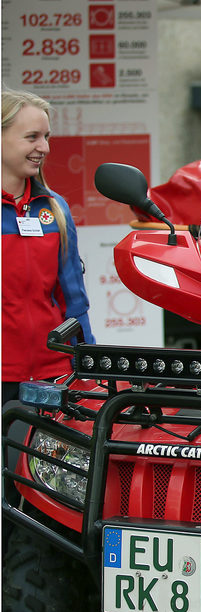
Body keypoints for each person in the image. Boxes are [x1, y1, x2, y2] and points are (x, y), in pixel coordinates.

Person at [2, 89, 94, 406]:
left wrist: (87, 363)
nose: (44, 147)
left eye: (46, 136)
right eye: (32, 137)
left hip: (52, 373)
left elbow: (73, 299)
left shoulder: (55, 208)